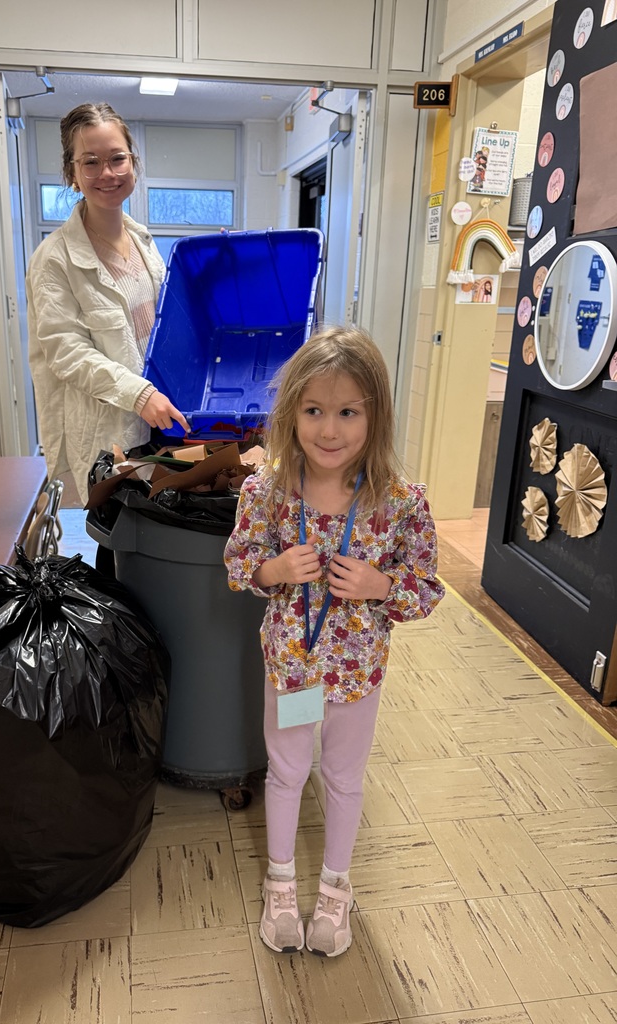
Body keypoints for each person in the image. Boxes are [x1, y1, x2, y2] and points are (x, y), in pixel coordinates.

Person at [224, 327, 444, 958]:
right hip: (293, 670)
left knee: (345, 778)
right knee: (289, 772)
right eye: (314, 410)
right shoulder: (266, 491)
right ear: (291, 409)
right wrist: (274, 571)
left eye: (348, 412)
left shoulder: (400, 503)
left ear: (375, 416)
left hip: (356, 675)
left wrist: (380, 585)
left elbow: (426, 590)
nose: (329, 430)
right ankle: (282, 883)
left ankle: (336, 890)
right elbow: (240, 566)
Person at [26, 102, 189, 508]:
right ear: (72, 173)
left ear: (133, 162)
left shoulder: (144, 242)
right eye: (91, 162)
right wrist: (138, 395)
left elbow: (158, 325)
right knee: (119, 543)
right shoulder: (54, 258)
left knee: (158, 535)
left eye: (118, 159)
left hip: (159, 419)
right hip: (108, 429)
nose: (107, 173)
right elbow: (66, 353)